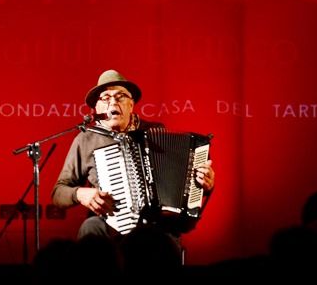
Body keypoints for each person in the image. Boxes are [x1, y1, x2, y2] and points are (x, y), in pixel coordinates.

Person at [51, 69, 215, 241]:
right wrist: (80, 194)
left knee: (168, 238)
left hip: (155, 226)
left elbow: (180, 182)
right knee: (91, 227)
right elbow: (58, 193)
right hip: (110, 226)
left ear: (131, 104)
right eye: (105, 98)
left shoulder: (154, 132)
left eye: (120, 96)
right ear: (96, 107)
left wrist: (204, 183)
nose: (113, 102)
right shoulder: (86, 140)